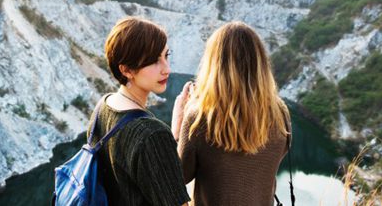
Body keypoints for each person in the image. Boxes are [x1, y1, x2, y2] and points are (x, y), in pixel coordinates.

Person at [171, 21, 291, 206]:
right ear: (260, 63)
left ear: (214, 64)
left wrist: (179, 127)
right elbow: (274, 157)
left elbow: (176, 180)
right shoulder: (280, 113)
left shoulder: (199, 118)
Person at [87, 16, 190, 206]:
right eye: (153, 61)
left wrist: (174, 133)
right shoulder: (151, 134)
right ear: (126, 70)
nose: (166, 69)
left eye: (166, 56)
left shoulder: (104, 105)